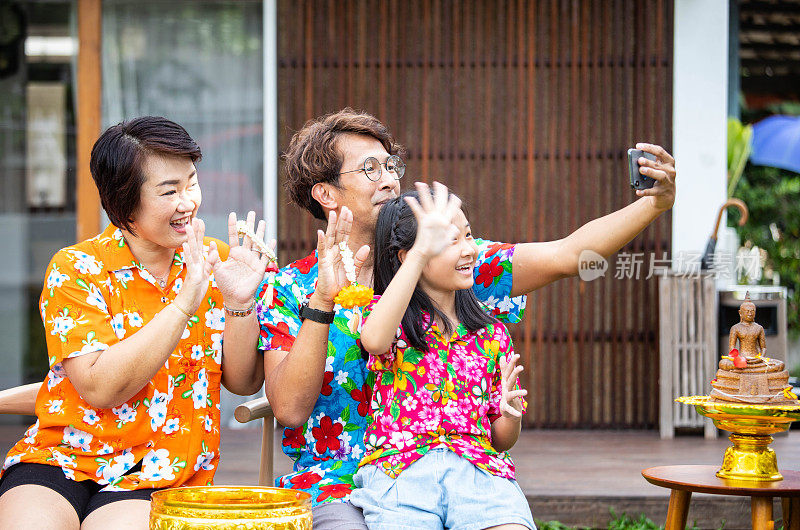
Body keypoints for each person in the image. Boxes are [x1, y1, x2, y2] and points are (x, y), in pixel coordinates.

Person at [256, 108, 676, 529]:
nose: (388, 178)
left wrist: (653, 206)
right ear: (326, 194)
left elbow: (568, 256)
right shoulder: (290, 288)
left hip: (455, 473)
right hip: (335, 484)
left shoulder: (448, 264)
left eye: (390, 165)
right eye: (369, 168)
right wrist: (323, 302)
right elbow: (290, 409)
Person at [0, 116, 268, 529]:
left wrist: (238, 303)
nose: (188, 202)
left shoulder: (216, 262)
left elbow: (242, 382)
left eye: (191, 182)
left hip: (162, 468)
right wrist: (184, 303)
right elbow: (100, 387)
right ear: (124, 202)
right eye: (169, 191)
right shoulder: (77, 269)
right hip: (62, 456)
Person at [353, 182, 534, 529]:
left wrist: (511, 416)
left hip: (480, 475)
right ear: (408, 255)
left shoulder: (491, 333)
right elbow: (374, 341)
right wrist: (421, 251)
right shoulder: (388, 317)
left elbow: (500, 440)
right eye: (451, 241)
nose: (469, 250)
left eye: (468, 236)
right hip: (401, 476)